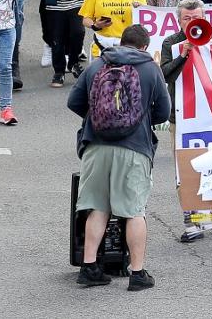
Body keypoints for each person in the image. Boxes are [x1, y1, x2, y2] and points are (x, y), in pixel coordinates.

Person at [68, 24, 170, 290]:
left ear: (121, 42)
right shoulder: (150, 69)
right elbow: (163, 111)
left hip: (96, 146)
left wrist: (99, 120)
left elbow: (74, 102)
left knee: (97, 207)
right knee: (134, 210)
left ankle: (89, 267)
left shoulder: (97, 65)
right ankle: (137, 273)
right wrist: (139, 120)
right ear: (144, 47)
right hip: (134, 148)